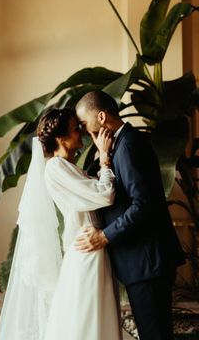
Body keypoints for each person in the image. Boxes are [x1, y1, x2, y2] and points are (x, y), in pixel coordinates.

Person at [0, 107, 121, 340]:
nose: (81, 134)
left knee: (91, 314)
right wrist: (104, 161)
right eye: (76, 129)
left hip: (92, 244)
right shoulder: (56, 167)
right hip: (86, 248)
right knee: (85, 316)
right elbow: (104, 194)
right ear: (61, 138)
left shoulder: (69, 167)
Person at [75, 90, 186, 340]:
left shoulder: (129, 145)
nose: (82, 129)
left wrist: (104, 236)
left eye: (84, 123)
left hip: (147, 262)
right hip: (142, 261)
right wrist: (103, 156)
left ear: (101, 117)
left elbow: (143, 204)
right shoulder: (121, 143)